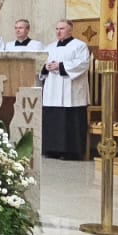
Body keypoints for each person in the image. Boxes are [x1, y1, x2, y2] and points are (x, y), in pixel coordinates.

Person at [41, 20, 91, 160]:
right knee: (53, 119)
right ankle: (52, 150)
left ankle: (71, 152)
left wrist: (61, 66)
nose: (58, 31)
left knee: (70, 120)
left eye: (62, 29)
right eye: (57, 29)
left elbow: (83, 64)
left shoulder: (80, 46)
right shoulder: (49, 47)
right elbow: (40, 63)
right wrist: (45, 67)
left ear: (70, 30)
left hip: (71, 90)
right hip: (52, 89)